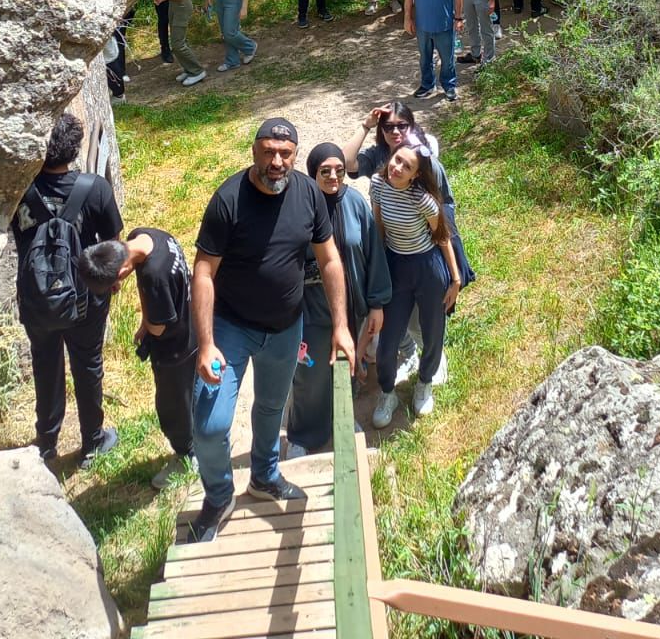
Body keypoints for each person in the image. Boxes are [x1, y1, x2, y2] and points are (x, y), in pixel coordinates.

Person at [189, 117, 355, 543]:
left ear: (295, 155)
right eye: (268, 152)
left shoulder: (308, 194)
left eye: (285, 154)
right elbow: (203, 272)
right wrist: (205, 344)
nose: (276, 162)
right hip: (230, 329)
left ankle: (264, 476)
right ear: (254, 152)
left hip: (285, 329)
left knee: (270, 407)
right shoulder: (228, 200)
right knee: (209, 425)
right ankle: (218, 496)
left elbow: (330, 259)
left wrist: (341, 326)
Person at [11, 112, 123, 467]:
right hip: (85, 297)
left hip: (37, 297)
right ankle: (92, 442)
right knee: (88, 365)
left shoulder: (20, 189)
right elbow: (113, 244)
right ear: (74, 148)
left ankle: (46, 444)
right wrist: (111, 283)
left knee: (45, 364)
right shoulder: (96, 189)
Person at [341, 101, 474, 386]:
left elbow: (443, 209)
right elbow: (347, 163)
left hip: (427, 245)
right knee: (395, 310)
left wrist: (453, 269)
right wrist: (365, 125)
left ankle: (432, 358)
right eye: (388, 126)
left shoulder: (425, 161)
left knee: (424, 312)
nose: (395, 131)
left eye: (402, 125)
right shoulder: (378, 159)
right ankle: (409, 351)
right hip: (394, 247)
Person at [285, 143, 391, 456]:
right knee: (309, 374)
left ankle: (342, 420)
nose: (333, 176)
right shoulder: (300, 207)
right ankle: (303, 434)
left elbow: (374, 254)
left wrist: (377, 303)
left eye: (340, 170)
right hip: (312, 309)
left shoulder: (355, 203)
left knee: (346, 368)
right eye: (325, 171)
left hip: (353, 306)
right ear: (312, 173)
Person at [77, 227, 196, 487]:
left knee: (172, 408)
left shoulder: (155, 276)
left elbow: (160, 328)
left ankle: (187, 456)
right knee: (189, 393)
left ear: (120, 274)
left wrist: (149, 321)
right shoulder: (146, 236)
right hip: (190, 324)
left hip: (175, 349)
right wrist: (146, 319)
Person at [369, 138, 461, 427]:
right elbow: (379, 227)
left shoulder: (423, 200)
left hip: (427, 268)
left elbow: (442, 238)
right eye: (397, 159)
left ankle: (425, 382)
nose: (397, 167)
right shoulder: (378, 185)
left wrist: (455, 279)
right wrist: (377, 269)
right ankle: (388, 393)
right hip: (396, 266)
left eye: (406, 166)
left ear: (415, 174)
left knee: (433, 331)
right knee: (388, 341)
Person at [403, 0, 463, 101]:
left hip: (445, 25)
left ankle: (449, 86)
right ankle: (427, 85)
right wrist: (407, 18)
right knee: (425, 58)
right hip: (423, 26)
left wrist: (458, 18)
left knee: (447, 58)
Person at [153, 0, 205, 86]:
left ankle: (197, 71)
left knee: (178, 44)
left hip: (182, 6)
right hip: (173, 5)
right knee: (177, 41)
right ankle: (188, 69)